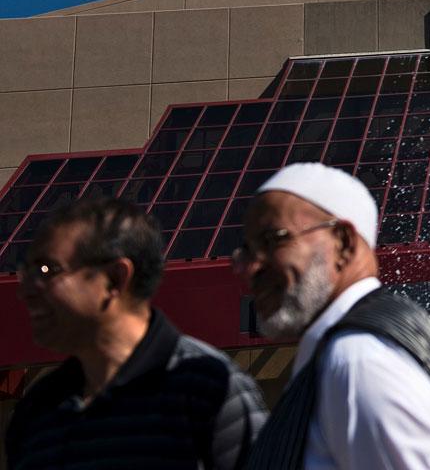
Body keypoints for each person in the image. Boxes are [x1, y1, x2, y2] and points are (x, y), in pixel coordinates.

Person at [237, 163, 430, 470]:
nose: (250, 267)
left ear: (344, 242)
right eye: (246, 251)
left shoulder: (359, 361)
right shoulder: (365, 345)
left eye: (273, 240)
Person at [5, 195, 267, 470]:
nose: (25, 292)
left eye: (47, 270)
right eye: (27, 273)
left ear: (115, 279)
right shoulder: (36, 411)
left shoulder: (209, 388)